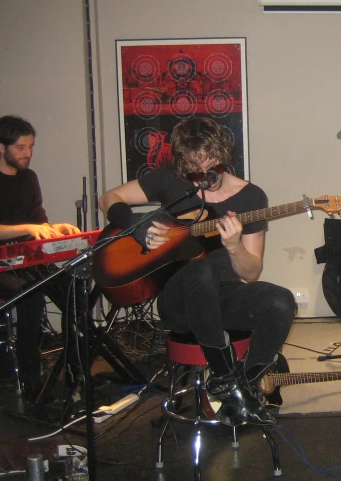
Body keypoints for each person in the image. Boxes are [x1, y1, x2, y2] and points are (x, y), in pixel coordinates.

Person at [98, 117, 295, 426]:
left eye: (211, 167)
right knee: (201, 269)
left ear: (222, 156)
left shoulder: (251, 197)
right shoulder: (168, 180)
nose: (204, 176)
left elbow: (252, 272)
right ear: (182, 164)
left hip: (225, 296)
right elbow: (109, 197)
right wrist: (134, 223)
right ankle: (224, 373)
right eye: (194, 170)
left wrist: (233, 247)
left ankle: (243, 385)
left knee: (281, 300)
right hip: (179, 301)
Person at [0, 115, 81, 401]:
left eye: (30, 147)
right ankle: (31, 379)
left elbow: (38, 220)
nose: (28, 153)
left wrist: (53, 229)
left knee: (73, 288)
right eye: (21, 147)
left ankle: (75, 371)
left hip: (24, 259)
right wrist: (28, 228)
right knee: (30, 296)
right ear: (1, 146)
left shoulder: (28, 178)